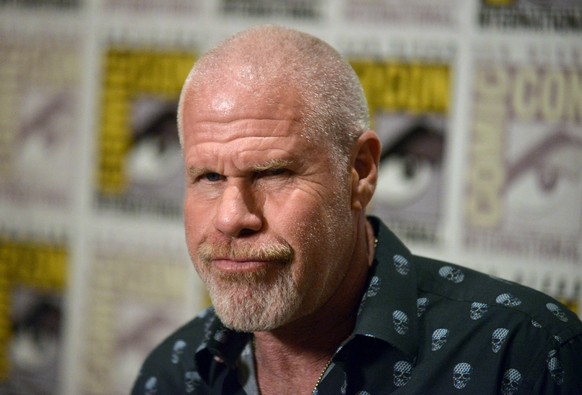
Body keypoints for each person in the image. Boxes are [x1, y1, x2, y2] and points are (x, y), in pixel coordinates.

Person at [131, 25, 582, 395]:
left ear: (360, 171)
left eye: (272, 173)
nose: (231, 218)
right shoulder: (171, 375)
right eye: (209, 177)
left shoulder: (526, 356)